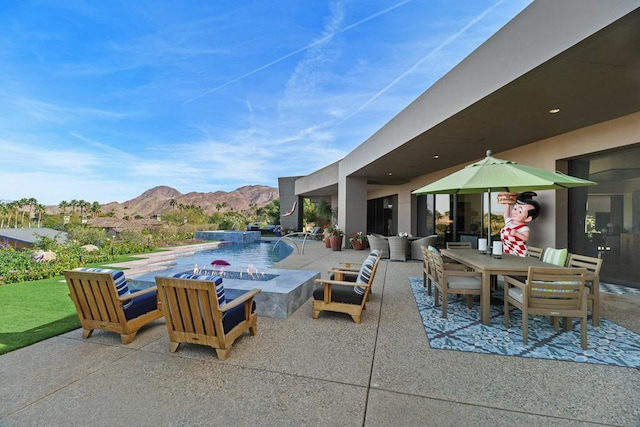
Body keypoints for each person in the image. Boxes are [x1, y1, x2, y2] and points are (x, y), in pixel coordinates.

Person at [498, 191, 540, 257]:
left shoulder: (523, 228)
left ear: (528, 218)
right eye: (515, 208)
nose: (514, 212)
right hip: (507, 250)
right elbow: (506, 215)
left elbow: (525, 238)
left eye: (520, 211)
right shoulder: (509, 222)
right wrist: (507, 205)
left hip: (519, 252)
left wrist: (516, 234)